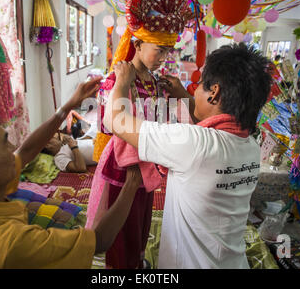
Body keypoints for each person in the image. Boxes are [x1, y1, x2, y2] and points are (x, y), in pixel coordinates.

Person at [0, 77, 143, 269]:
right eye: (4, 143)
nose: (13, 146)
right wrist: (131, 183)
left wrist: (69, 106)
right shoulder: (9, 242)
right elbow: (100, 240)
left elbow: (26, 151)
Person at [103, 43, 272, 268]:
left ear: (215, 92)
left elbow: (114, 121)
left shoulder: (193, 143)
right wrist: (183, 94)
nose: (194, 91)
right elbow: (212, 126)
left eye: (199, 85)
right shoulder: (250, 146)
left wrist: (123, 81)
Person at [87, 0, 194, 269]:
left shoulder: (158, 82)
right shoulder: (117, 78)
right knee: (121, 227)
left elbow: (173, 119)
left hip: (149, 162)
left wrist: (177, 97)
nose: (163, 58)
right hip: (124, 166)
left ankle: (136, 261)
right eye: (159, 50)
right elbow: (107, 125)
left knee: (142, 222)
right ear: (138, 43)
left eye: (167, 51)